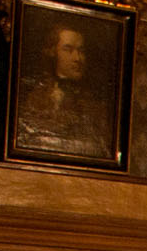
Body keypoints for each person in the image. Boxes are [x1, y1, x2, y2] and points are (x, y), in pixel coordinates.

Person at [15, 23, 113, 159]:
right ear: (52, 52)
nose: (78, 58)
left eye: (81, 51)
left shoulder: (96, 105)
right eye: (68, 49)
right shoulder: (30, 94)